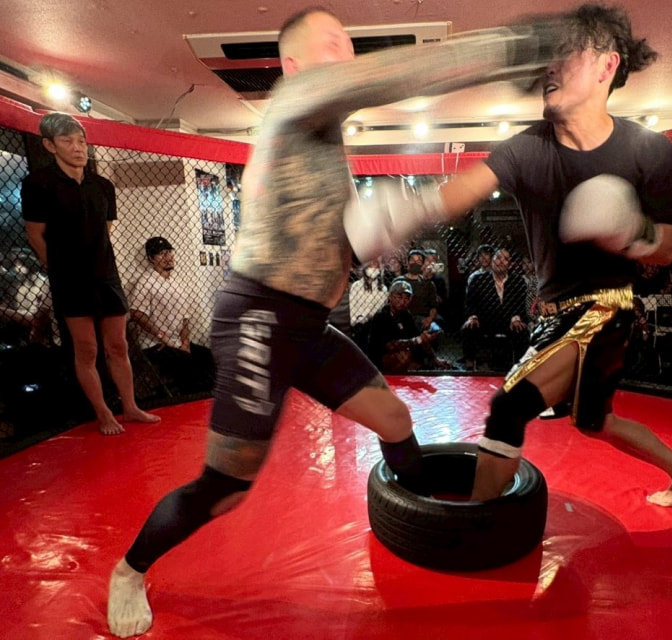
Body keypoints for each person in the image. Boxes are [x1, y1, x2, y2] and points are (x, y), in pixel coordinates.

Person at [107, 8, 565, 637]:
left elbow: (342, 243)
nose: (347, 56)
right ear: (294, 64)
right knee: (227, 486)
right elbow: (392, 75)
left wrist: (385, 228)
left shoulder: (323, 147)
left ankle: (427, 518)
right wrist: (512, 46)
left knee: (395, 419)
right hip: (260, 321)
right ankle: (129, 569)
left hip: (309, 326)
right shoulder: (296, 99)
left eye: (349, 45)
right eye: (333, 44)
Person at [422, 4, 672, 504]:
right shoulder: (526, 149)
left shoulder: (648, 149)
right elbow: (457, 194)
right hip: (552, 314)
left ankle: (473, 526)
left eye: (566, 55)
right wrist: (392, 215)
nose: (549, 68)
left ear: (607, 65)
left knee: (509, 407)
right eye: (548, 59)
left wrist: (632, 230)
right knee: (595, 423)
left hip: (605, 311)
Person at [21, 112, 159, 436]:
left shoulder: (102, 186)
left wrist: (98, 264)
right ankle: (103, 413)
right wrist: (58, 270)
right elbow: (34, 234)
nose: (77, 147)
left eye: (81, 141)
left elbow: (105, 231)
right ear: (50, 146)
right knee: (87, 350)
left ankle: (130, 406)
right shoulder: (39, 184)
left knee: (118, 345)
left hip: (106, 276)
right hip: (70, 280)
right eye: (67, 141)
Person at [129, 237, 215, 394]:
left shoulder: (177, 283)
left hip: (177, 342)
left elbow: (184, 318)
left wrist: (185, 342)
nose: (167, 257)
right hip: (156, 344)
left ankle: (206, 397)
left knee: (207, 356)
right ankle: (190, 398)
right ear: (151, 259)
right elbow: (136, 313)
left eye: (169, 252)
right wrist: (162, 337)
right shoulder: (145, 282)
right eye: (161, 254)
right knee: (187, 364)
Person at [461, 248, 529, 370]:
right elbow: (470, 303)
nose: (501, 261)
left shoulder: (518, 281)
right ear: (492, 261)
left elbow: (520, 304)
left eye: (506, 259)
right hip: (485, 321)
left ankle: (521, 366)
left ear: (510, 264)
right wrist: (473, 317)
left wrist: (516, 318)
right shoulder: (478, 280)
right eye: (498, 258)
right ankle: (470, 364)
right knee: (468, 328)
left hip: (508, 321)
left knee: (522, 331)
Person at [368, 278, 449, 372]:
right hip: (379, 359)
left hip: (399, 353)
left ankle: (419, 366)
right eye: (399, 297)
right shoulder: (382, 316)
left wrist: (435, 358)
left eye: (407, 298)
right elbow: (390, 345)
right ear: (390, 297)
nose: (403, 301)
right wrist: (417, 340)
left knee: (418, 348)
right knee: (404, 355)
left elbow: (418, 336)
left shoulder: (405, 314)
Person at [349, 259, 388, 349]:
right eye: (370, 265)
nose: (373, 267)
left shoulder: (383, 289)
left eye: (376, 265)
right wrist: (356, 321)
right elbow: (352, 307)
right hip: (357, 325)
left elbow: (379, 309)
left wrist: (368, 318)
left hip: (374, 326)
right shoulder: (356, 285)